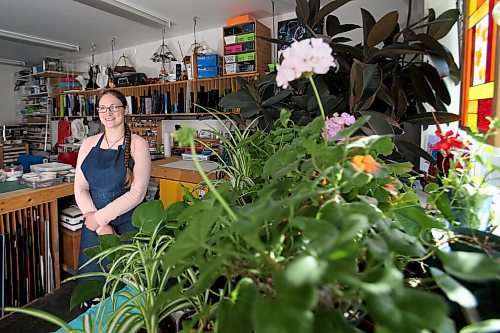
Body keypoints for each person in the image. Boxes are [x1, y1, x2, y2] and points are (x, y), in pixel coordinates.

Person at [74, 89, 151, 278]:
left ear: (125, 109)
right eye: (103, 108)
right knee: (93, 282)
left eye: (113, 107)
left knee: (127, 281)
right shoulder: (88, 144)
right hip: (93, 223)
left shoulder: (138, 144)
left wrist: (101, 218)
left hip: (126, 225)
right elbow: (80, 187)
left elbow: (137, 193)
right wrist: (99, 224)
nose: (108, 113)